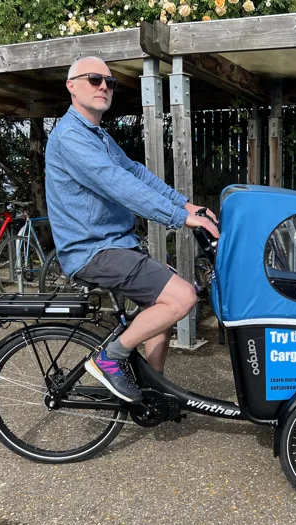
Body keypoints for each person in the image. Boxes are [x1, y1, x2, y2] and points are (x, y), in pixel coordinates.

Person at [45, 56, 219, 403]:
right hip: (92, 250)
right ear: (72, 86)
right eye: (94, 79)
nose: (103, 87)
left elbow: (135, 173)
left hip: (115, 245)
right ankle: (109, 358)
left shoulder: (98, 135)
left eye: (110, 82)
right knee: (182, 296)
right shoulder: (70, 138)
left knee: (163, 310)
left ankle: (152, 391)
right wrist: (178, 217)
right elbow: (116, 184)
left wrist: (186, 204)